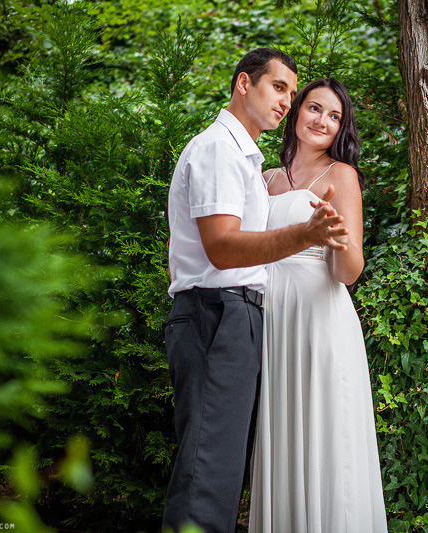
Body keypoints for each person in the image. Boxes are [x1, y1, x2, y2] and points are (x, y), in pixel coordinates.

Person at [163, 50, 349, 533]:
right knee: (207, 472)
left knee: (219, 471)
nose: (287, 100)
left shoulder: (246, 158)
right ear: (243, 83)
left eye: (292, 90)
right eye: (278, 87)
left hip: (236, 316)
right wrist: (305, 236)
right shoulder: (219, 151)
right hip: (215, 314)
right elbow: (222, 248)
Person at [248, 78, 388, 532]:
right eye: (314, 108)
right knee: (284, 434)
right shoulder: (265, 179)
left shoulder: (341, 177)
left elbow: (348, 272)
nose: (322, 121)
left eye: (334, 117)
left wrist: (338, 237)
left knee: (326, 436)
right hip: (273, 319)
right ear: (295, 112)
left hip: (319, 320)